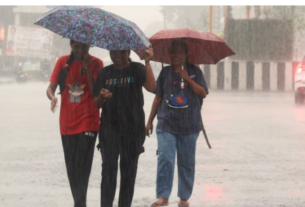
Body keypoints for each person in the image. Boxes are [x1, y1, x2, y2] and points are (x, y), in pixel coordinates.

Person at [145, 39, 209, 207]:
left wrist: (188, 79)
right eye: (172, 52)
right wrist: (150, 121)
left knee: (186, 161)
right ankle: (163, 196)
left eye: (179, 52)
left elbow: (203, 93)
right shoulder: (165, 73)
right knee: (165, 159)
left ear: (186, 54)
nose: (175, 55)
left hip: (190, 126)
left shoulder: (195, 71)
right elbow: (158, 96)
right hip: (166, 125)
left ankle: (184, 196)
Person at [93, 47, 155, 207]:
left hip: (133, 129)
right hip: (109, 129)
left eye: (121, 52)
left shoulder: (138, 69)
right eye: (113, 52)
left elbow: (152, 87)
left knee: (128, 173)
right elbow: (96, 104)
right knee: (108, 171)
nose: (117, 56)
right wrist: (101, 96)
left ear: (128, 52)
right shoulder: (105, 73)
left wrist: (148, 62)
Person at [46, 39, 104, 207]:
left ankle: (80, 203)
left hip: (89, 121)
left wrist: (86, 68)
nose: (80, 50)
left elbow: (95, 93)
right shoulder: (62, 62)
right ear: (71, 45)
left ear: (89, 46)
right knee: (72, 167)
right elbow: (50, 87)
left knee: (83, 164)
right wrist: (53, 97)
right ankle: (79, 202)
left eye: (84, 47)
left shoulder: (97, 63)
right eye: (76, 47)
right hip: (67, 122)